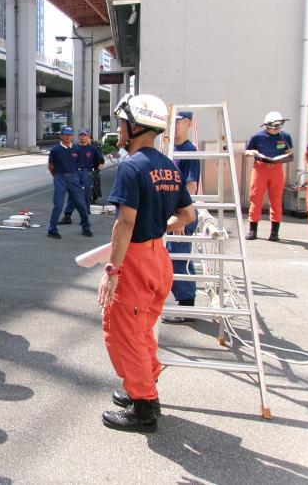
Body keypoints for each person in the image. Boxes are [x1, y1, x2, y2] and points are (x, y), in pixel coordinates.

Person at [98, 94, 195, 433]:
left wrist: (111, 271)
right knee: (142, 330)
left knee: (123, 333)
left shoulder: (131, 165)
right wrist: (157, 228)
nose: (119, 130)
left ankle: (144, 408)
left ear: (136, 126)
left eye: (122, 124)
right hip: (158, 257)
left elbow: (124, 222)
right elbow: (187, 215)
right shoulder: (169, 166)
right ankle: (144, 386)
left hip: (136, 259)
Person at [163, 111, 201, 324]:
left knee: (179, 260)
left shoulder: (189, 151)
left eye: (178, 123)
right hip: (172, 215)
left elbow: (191, 186)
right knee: (171, 258)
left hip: (180, 216)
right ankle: (183, 302)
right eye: (172, 123)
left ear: (188, 124)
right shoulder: (172, 150)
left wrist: (181, 217)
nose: (174, 127)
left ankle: (187, 306)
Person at [244, 112, 293, 242]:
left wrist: (285, 157)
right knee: (255, 198)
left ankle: (274, 232)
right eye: (273, 126)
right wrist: (252, 152)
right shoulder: (257, 137)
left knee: (276, 200)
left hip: (276, 169)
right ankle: (252, 230)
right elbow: (246, 151)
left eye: (279, 126)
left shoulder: (285, 136)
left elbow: (288, 153)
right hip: (260, 168)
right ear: (267, 125)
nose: (276, 129)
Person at [48, 126, 91, 238]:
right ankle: (52, 230)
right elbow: (50, 166)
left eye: (69, 135)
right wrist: (57, 176)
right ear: (61, 136)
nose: (67, 137)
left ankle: (86, 228)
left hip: (73, 178)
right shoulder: (55, 150)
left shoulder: (76, 149)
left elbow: (77, 164)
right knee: (58, 205)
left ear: (72, 136)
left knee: (81, 204)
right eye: (65, 135)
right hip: (60, 178)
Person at [73, 129, 105, 214]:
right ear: (78, 136)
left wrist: (97, 171)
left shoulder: (93, 149)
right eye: (81, 135)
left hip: (87, 173)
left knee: (86, 194)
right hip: (75, 173)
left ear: (88, 137)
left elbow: (101, 161)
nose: (83, 137)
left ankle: (86, 211)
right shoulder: (73, 148)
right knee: (73, 194)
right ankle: (67, 215)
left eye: (85, 135)